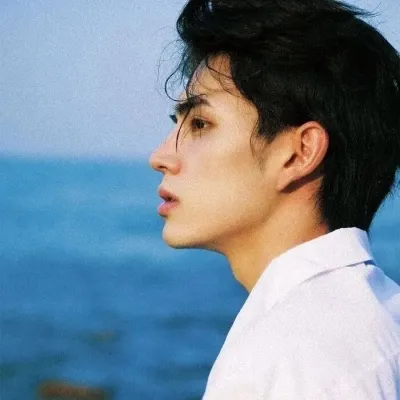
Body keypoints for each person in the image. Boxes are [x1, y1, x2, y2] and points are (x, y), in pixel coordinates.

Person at [149, 0, 400, 398]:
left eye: (200, 123)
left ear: (300, 154)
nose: (160, 157)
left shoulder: (291, 357)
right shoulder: (379, 313)